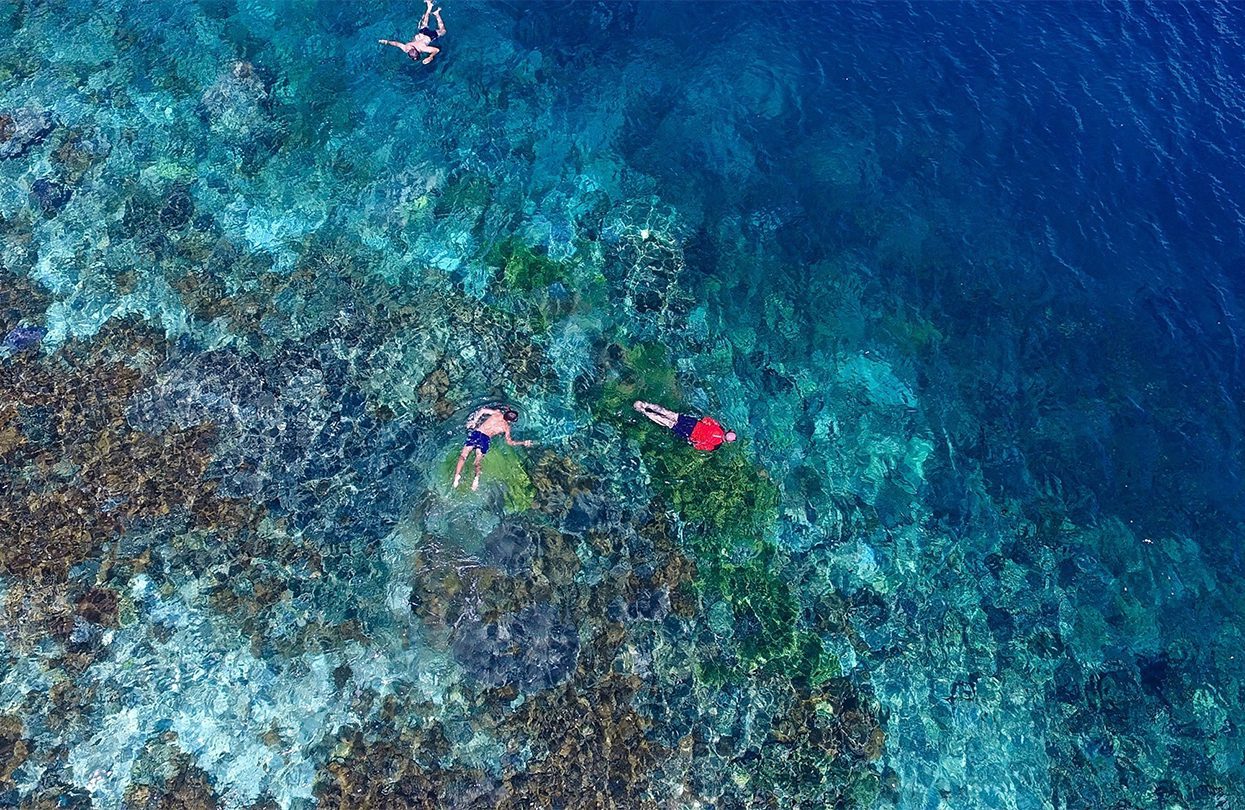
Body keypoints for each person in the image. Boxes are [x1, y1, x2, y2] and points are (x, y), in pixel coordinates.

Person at [453, 405, 534, 491]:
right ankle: (476, 478)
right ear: (510, 421)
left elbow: (483, 410)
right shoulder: (506, 427)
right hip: (485, 440)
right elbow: (509, 442)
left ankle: (457, 476)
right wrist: (523, 442)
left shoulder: (497, 413)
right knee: (477, 462)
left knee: (463, 456)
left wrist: (474, 421)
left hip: (477, 434)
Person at [633, 400, 737, 452]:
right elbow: (698, 446)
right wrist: (692, 442)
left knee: (669, 414)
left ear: (728, 431)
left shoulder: (719, 427)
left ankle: (646, 404)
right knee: (668, 423)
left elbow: (706, 419)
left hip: (693, 423)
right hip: (690, 434)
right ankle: (643, 411)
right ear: (728, 442)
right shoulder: (715, 446)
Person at [379, 0, 446, 65]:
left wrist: (430, 57)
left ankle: (436, 14)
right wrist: (386, 42)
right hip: (421, 33)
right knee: (425, 22)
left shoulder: (423, 48)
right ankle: (429, 6)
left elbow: (437, 50)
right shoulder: (406, 47)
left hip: (429, 36)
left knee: (443, 31)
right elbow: (396, 44)